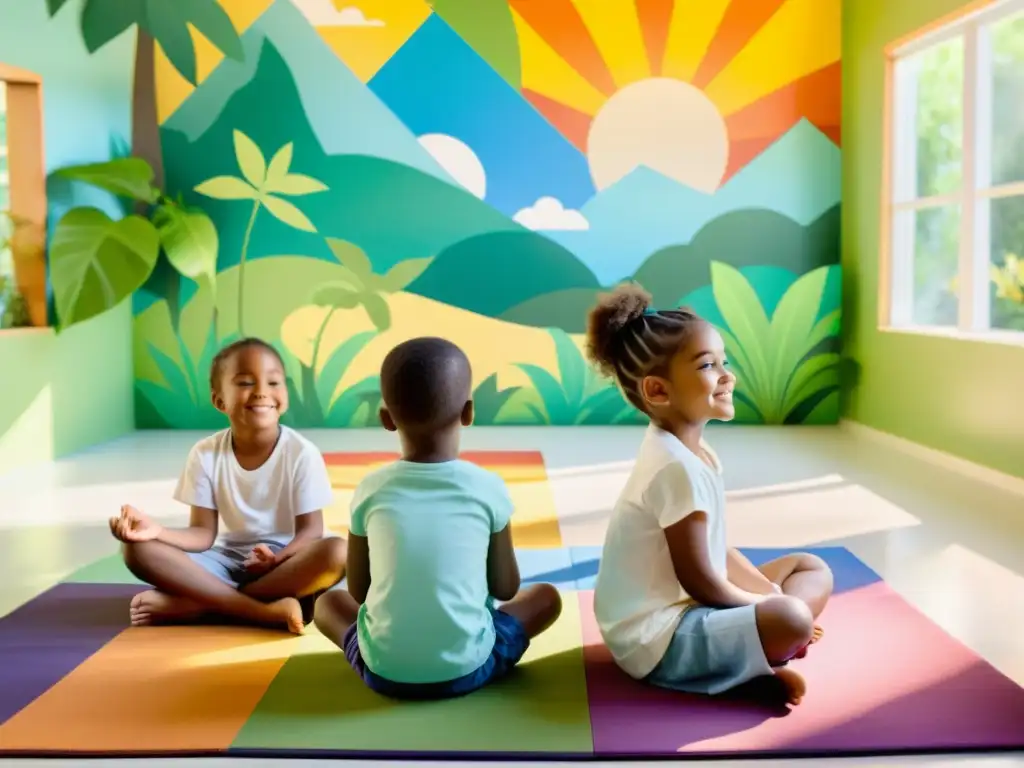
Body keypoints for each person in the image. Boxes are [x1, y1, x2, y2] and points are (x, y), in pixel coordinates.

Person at [585, 284, 834, 705]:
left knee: (810, 568)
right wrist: (766, 608)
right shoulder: (674, 468)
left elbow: (715, 550)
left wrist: (766, 594)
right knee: (791, 616)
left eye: (725, 361)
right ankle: (759, 659)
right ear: (658, 391)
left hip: (690, 607)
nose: (726, 374)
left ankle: (761, 649)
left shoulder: (695, 453)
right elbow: (699, 579)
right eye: (708, 365)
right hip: (655, 638)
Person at [313, 336, 562, 699]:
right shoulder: (487, 487)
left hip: (383, 673)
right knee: (546, 598)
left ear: (386, 418)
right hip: (469, 668)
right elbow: (506, 589)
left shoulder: (369, 489)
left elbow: (359, 591)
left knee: (326, 604)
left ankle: (393, 653)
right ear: (469, 412)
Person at [109, 337, 347, 634]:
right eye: (246, 382)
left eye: (274, 382)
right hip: (227, 560)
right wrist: (157, 531)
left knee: (337, 552)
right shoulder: (205, 453)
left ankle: (199, 605)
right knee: (136, 551)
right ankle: (260, 611)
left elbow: (311, 531)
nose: (262, 392)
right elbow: (202, 534)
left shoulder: (301, 452)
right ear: (219, 400)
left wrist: (277, 559)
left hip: (287, 561)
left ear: (285, 394)